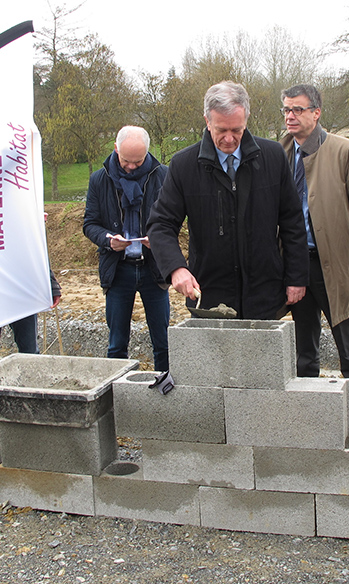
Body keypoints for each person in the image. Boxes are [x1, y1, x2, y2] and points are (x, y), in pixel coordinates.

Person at [147, 81, 308, 320]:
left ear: (247, 118)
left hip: (264, 293)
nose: (230, 139)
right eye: (221, 130)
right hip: (209, 295)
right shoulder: (184, 165)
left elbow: (292, 222)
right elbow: (160, 224)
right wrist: (176, 268)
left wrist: (296, 277)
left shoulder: (273, 157)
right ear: (207, 121)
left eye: (237, 130)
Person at [280, 84, 349, 435]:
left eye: (298, 110)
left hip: (334, 263)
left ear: (316, 113)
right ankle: (309, 409)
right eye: (286, 110)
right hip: (295, 264)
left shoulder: (345, 152)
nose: (291, 116)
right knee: (304, 343)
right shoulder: (280, 152)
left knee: (347, 340)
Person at [83, 125, 170, 372]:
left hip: (154, 269)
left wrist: (159, 238)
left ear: (147, 153)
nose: (132, 166)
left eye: (138, 161)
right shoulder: (99, 180)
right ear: (115, 149)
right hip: (117, 269)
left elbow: (174, 218)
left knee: (163, 343)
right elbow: (90, 224)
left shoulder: (163, 175)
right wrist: (108, 239)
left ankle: (165, 390)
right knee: (116, 344)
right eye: (126, 161)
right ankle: (116, 398)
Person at [0, 267, 61, 368]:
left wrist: (51, 285)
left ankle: (31, 382)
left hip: (22, 292)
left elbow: (35, 254)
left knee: (30, 355)